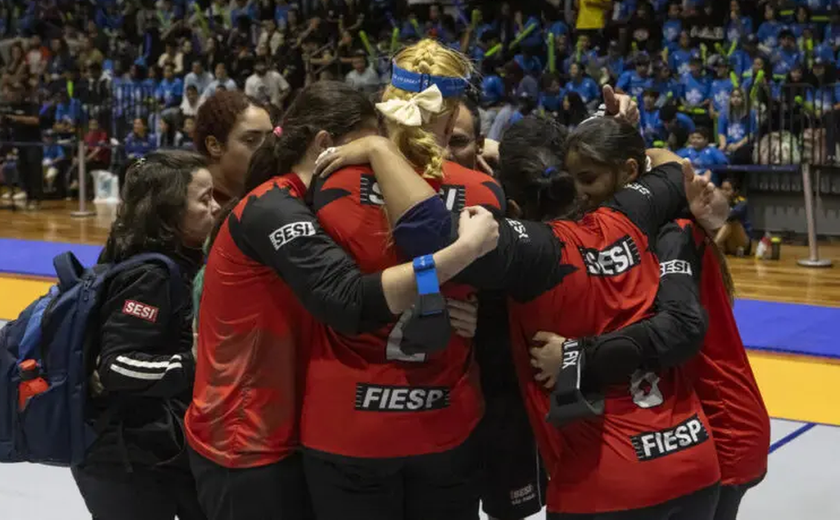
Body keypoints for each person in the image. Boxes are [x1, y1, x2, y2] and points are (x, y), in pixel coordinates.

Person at [186, 80, 500, 520]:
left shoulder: (312, 203)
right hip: (247, 441)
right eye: (366, 148)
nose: (374, 167)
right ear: (324, 144)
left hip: (287, 429)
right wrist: (460, 253)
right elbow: (349, 298)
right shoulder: (273, 207)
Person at [302, 40, 510, 520]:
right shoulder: (484, 192)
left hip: (345, 421)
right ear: (453, 109)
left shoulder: (332, 181)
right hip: (443, 419)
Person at [547, 120, 769, 520]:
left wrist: (574, 356)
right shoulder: (646, 227)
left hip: (723, 421)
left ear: (631, 172)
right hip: (701, 420)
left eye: (588, 179)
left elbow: (676, 333)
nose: (579, 192)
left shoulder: (672, 231)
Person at [71, 151, 220, 520]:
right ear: (169, 210)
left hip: (149, 451)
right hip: (123, 460)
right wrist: (194, 362)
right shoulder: (150, 276)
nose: (215, 207)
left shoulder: (170, 259)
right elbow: (117, 367)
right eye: (204, 199)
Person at [194, 90, 273, 206]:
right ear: (214, 146)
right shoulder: (192, 211)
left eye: (271, 138)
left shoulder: (271, 196)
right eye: (251, 140)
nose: (268, 148)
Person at [715, 178, 752, 256]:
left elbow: (730, 216)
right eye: (722, 189)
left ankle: (713, 247)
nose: (723, 192)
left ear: (735, 192)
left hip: (742, 243)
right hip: (729, 244)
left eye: (727, 189)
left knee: (731, 222)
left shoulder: (742, 202)